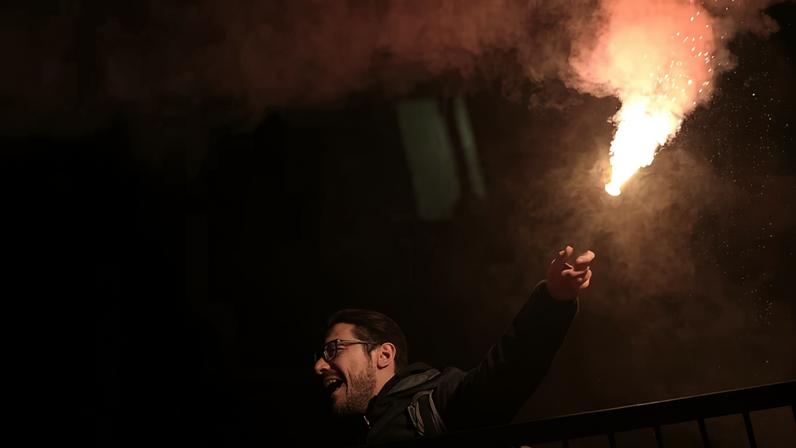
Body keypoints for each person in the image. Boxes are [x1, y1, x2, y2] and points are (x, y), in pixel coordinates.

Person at [313, 245, 596, 446]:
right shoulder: (357, 434)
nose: (318, 365)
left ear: (384, 354)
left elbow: (506, 374)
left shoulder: (437, 402)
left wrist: (552, 301)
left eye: (333, 350)